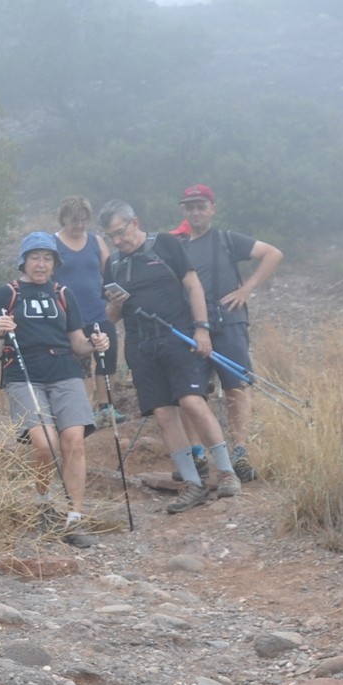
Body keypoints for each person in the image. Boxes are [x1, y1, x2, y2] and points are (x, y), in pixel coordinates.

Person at [97, 199, 239, 514]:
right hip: (140, 345)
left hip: (178, 336)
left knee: (191, 401)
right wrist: (116, 304)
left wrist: (202, 329)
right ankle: (192, 483)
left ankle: (226, 471)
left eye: (120, 232)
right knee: (163, 414)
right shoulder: (114, 263)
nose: (117, 241)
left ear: (135, 222)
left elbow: (193, 285)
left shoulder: (164, 244)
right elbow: (111, 316)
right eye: (111, 236)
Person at [0, 232, 104, 546]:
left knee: (74, 441)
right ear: (23, 261)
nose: (41, 264)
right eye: (35, 258)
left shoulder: (64, 294)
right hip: (23, 374)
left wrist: (96, 344)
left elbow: (78, 344)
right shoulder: (7, 294)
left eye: (47, 258)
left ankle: (74, 518)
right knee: (45, 444)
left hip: (65, 371)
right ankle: (43, 503)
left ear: (55, 263)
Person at [173, 184, 282, 481]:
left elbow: (273, 253)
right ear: (184, 210)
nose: (196, 212)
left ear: (213, 209)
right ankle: (198, 456)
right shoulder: (177, 246)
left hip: (229, 321)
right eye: (190, 207)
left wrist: (247, 289)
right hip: (191, 327)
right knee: (189, 392)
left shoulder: (227, 239)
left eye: (201, 206)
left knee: (236, 386)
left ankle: (240, 452)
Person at [52, 196, 118, 423]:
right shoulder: (53, 244)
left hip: (99, 311)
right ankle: (86, 410)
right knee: (81, 364)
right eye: (74, 221)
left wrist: (114, 299)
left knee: (107, 357)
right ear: (64, 219)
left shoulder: (95, 241)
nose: (79, 225)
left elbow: (110, 273)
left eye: (83, 220)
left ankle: (106, 407)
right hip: (68, 316)